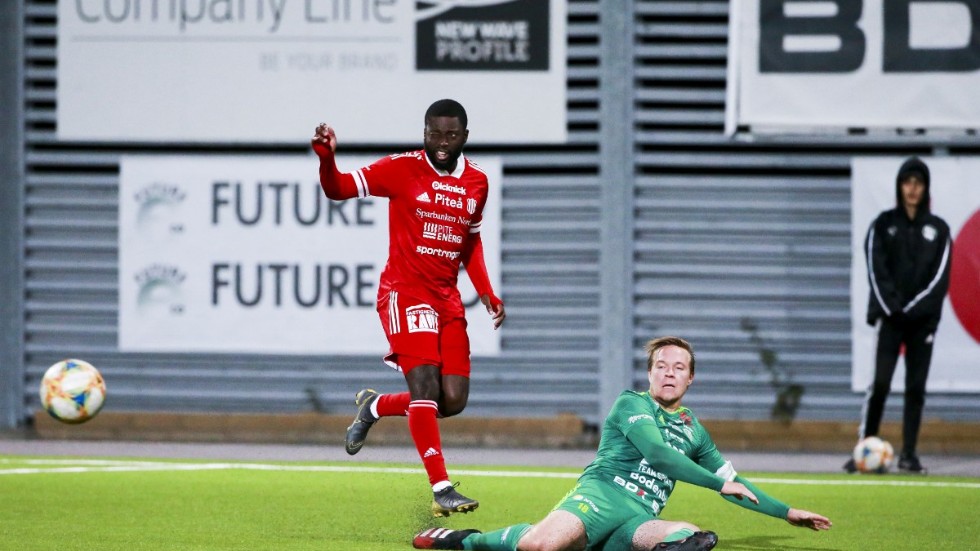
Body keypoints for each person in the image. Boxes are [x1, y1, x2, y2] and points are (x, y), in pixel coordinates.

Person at [413, 336, 832, 551]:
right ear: (650, 374)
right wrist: (718, 484)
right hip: (601, 497)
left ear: (691, 379)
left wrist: (787, 512)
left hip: (639, 517)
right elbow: (659, 455)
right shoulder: (632, 403)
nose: (669, 373)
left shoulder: (694, 429)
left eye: (679, 367)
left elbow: (735, 483)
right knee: (541, 545)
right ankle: (466, 540)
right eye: (661, 366)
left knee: (690, 538)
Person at [311, 99, 506, 516]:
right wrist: (327, 159)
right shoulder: (401, 168)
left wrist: (487, 291)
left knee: (452, 401)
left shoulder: (477, 181)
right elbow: (337, 188)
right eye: (434, 134)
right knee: (425, 389)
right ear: (424, 133)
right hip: (405, 292)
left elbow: (470, 242)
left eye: (451, 135)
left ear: (464, 137)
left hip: (447, 299)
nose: (442, 142)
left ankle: (374, 406)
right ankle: (442, 488)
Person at [845, 156, 952, 475]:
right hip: (890, 320)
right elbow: (876, 272)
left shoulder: (939, 229)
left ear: (926, 188)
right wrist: (894, 309)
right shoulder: (882, 225)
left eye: (918, 183)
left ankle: (909, 455)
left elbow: (939, 279)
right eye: (907, 182)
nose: (912, 189)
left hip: (922, 323)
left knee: (915, 388)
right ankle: (864, 448)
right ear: (899, 186)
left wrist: (914, 310)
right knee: (879, 384)